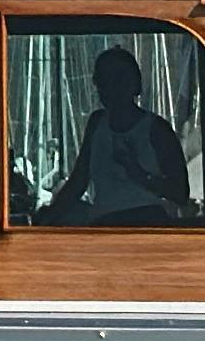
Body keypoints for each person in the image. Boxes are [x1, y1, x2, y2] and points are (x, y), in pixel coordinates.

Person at [56, 41, 194, 222]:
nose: (110, 88)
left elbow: (180, 192)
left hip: (147, 223)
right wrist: (48, 217)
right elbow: (78, 183)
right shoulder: (96, 124)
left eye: (118, 80)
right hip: (105, 224)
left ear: (134, 84)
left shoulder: (157, 130)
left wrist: (139, 173)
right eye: (103, 81)